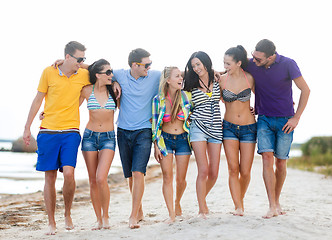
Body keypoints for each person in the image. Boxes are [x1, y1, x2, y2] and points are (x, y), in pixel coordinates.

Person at [23, 41, 90, 235]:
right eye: (79, 59)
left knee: (69, 173)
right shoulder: (48, 72)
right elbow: (37, 100)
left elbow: (101, 69)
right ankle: (51, 222)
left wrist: (83, 64)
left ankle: (67, 213)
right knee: (50, 177)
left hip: (71, 131)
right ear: (68, 57)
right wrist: (27, 127)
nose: (82, 62)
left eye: (83, 59)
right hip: (48, 131)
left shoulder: (83, 74)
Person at [247, 39, 310, 218]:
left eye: (259, 59)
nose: (254, 61)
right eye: (253, 56)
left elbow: (305, 90)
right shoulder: (253, 62)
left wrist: (296, 118)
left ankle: (277, 200)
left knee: (280, 162)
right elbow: (232, 69)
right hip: (264, 119)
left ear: (272, 56)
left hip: (285, 121)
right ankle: (272, 205)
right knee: (267, 157)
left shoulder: (289, 64)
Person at [113, 48, 161, 228]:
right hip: (123, 131)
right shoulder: (120, 74)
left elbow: (178, 73)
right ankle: (139, 210)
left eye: (150, 64)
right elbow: (95, 69)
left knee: (138, 172)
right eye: (146, 64)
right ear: (135, 65)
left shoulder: (154, 76)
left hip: (144, 131)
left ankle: (133, 216)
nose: (149, 67)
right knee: (130, 175)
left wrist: (213, 71)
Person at [183, 51, 223, 218]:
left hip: (216, 129)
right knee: (203, 170)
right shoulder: (189, 83)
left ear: (206, 63)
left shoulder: (218, 79)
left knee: (214, 173)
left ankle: (201, 200)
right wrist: (186, 115)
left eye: (198, 64)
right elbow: (181, 100)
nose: (196, 68)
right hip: (198, 127)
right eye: (193, 66)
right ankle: (202, 208)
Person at [80, 59, 118, 230]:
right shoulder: (86, 91)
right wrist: (47, 113)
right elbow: (69, 107)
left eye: (111, 71)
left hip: (108, 138)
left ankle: (106, 216)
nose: (111, 74)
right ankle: (98, 219)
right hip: (89, 137)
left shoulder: (115, 90)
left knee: (101, 178)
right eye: (108, 72)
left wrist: (114, 79)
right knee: (93, 180)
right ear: (97, 75)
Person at [219, 45, 256, 216]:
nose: (225, 66)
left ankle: (240, 200)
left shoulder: (250, 78)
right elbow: (213, 100)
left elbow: (263, 97)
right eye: (224, 63)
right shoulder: (221, 80)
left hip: (249, 128)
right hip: (229, 128)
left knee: (246, 171)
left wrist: (256, 108)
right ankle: (238, 207)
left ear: (239, 63)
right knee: (233, 169)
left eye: (228, 63)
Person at [152, 66, 192, 223]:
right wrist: (156, 145)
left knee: (181, 179)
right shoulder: (158, 100)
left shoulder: (187, 97)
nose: (181, 78)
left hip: (183, 140)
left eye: (181, 76)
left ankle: (177, 202)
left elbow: (199, 113)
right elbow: (155, 126)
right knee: (167, 177)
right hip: (165, 140)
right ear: (168, 80)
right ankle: (171, 214)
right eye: (177, 76)